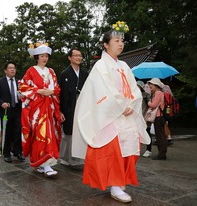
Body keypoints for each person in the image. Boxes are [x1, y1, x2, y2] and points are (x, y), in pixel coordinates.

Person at [71, 22, 150, 203]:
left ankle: (120, 183)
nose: (121, 44)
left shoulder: (124, 65)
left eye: (122, 41)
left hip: (126, 113)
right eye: (116, 40)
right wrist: (122, 106)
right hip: (111, 115)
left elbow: (134, 88)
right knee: (112, 150)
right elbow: (103, 90)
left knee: (130, 148)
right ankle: (115, 185)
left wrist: (132, 103)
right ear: (106, 44)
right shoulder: (101, 66)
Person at [19, 42, 61, 177]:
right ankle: (45, 163)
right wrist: (38, 91)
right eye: (42, 56)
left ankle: (44, 163)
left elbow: (58, 89)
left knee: (49, 133)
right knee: (39, 134)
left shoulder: (51, 71)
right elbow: (23, 87)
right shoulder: (31, 71)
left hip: (49, 106)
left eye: (46, 56)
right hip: (36, 108)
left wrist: (51, 91)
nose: (45, 58)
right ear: (37, 57)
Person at [59, 48, 88, 166]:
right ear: (69, 58)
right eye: (75, 56)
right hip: (69, 106)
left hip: (81, 106)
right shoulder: (64, 74)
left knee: (80, 131)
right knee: (68, 132)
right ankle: (66, 157)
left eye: (80, 56)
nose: (78, 58)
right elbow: (60, 94)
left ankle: (79, 157)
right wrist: (60, 111)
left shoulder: (85, 74)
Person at [0, 62, 24, 163]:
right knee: (7, 132)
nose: (12, 70)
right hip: (6, 111)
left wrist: (22, 97)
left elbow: (24, 93)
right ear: (5, 70)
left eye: (14, 68)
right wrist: (1, 103)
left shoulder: (19, 81)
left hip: (18, 109)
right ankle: (6, 153)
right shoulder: (0, 82)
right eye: (10, 68)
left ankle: (18, 151)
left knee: (18, 130)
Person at [147, 78, 167, 160]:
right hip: (160, 117)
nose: (150, 86)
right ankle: (162, 153)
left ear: (156, 85)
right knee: (161, 135)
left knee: (160, 136)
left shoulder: (158, 93)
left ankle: (161, 154)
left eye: (151, 84)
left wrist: (148, 102)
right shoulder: (160, 93)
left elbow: (154, 105)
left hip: (158, 117)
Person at [137, 81, 152, 157]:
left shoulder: (146, 95)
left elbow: (150, 107)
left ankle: (148, 150)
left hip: (145, 117)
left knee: (147, 133)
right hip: (136, 118)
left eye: (138, 86)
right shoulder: (133, 95)